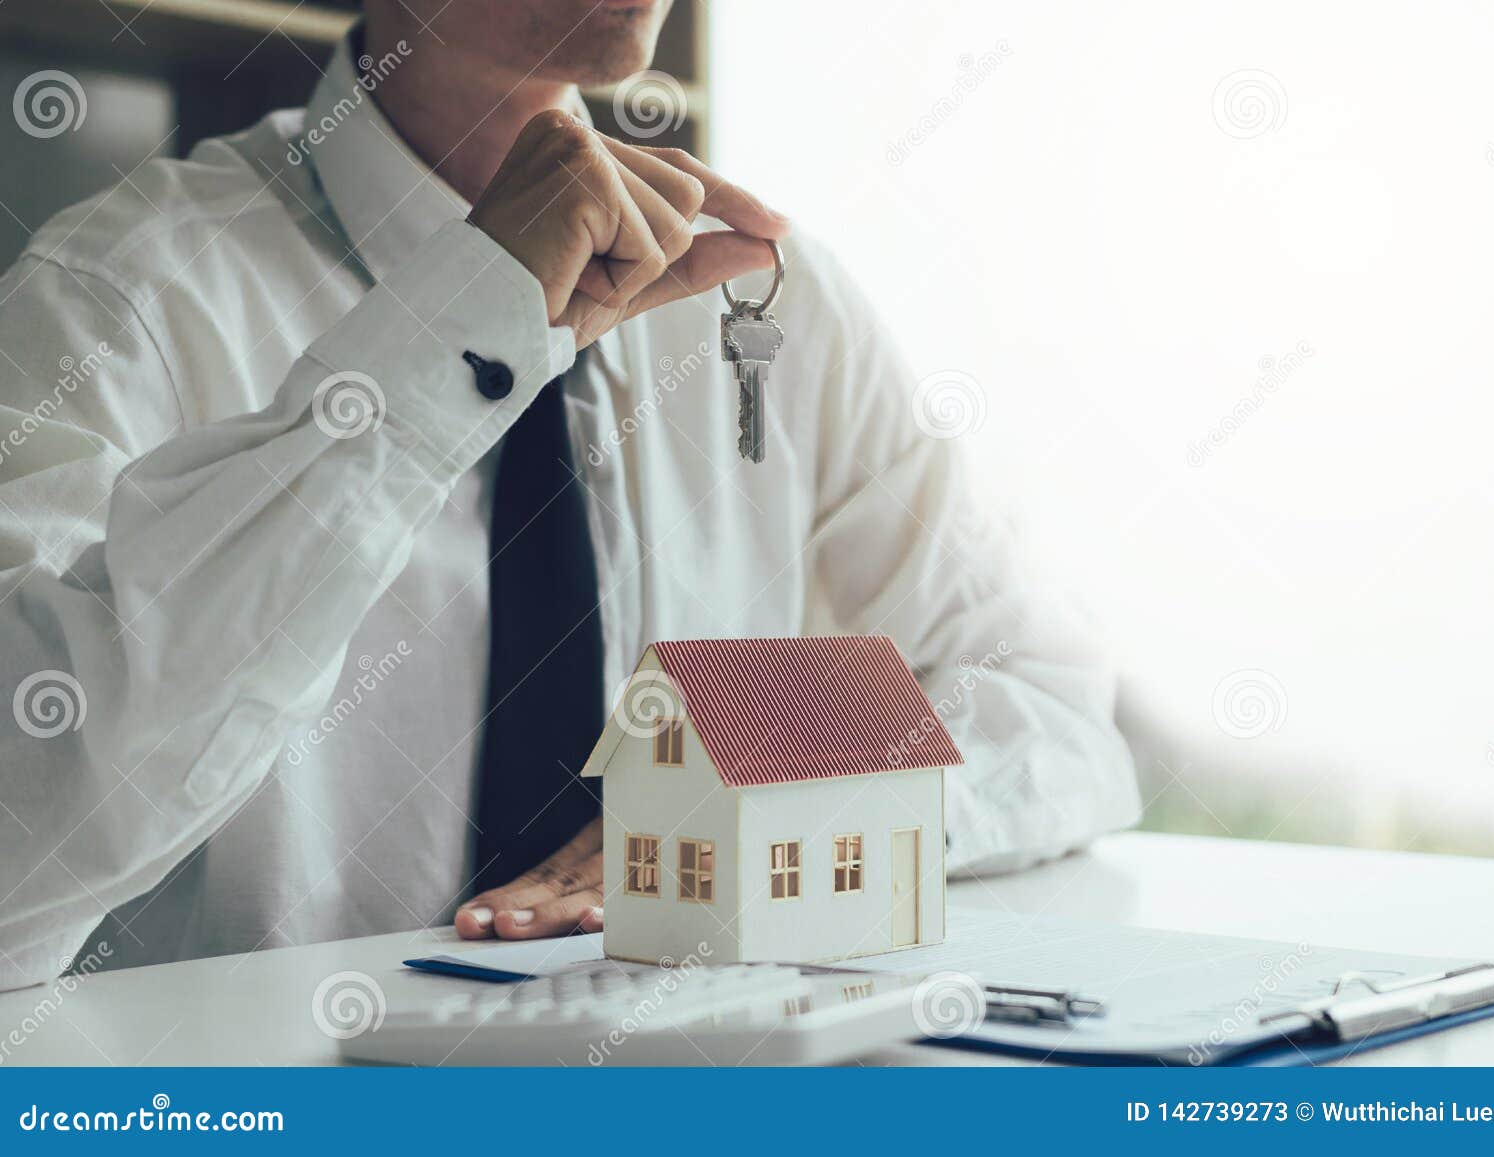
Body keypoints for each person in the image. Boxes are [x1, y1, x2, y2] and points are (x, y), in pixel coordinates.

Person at [0, 0, 1139, 991]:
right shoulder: (120, 299)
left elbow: (1049, 708)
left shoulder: (767, 302)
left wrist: (776, 814)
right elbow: (19, 846)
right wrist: (462, 321)